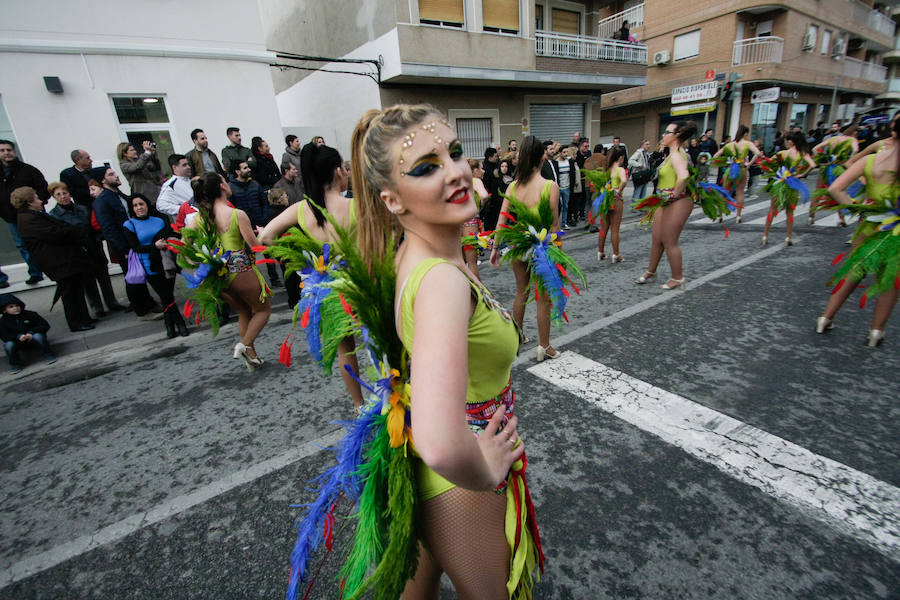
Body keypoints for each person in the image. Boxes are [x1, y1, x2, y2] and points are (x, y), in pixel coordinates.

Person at [349, 104, 542, 598]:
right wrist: (485, 468)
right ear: (393, 200)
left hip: (425, 475)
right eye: (427, 167)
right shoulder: (440, 281)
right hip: (459, 484)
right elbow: (439, 440)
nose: (456, 171)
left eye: (454, 153)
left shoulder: (425, 256)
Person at [260, 142, 363, 408]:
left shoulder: (301, 210)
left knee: (345, 350)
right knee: (381, 342)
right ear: (338, 171)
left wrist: (301, 257)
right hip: (361, 286)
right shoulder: (355, 207)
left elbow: (265, 237)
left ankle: (359, 405)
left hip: (326, 289)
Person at [815, 117, 900, 347]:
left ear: (893, 132)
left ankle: (826, 317)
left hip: (871, 222)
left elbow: (835, 188)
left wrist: (857, 208)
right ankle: (876, 331)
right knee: (889, 280)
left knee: (854, 270)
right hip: (896, 231)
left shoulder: (873, 159)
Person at [187, 173, 272, 368]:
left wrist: (199, 261)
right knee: (263, 310)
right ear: (222, 187)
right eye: (225, 181)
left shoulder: (199, 218)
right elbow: (255, 245)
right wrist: (263, 233)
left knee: (243, 312)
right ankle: (244, 345)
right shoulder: (236, 214)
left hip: (218, 276)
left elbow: (184, 246)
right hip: (240, 270)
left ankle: (252, 356)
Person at [492, 135, 564, 358]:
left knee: (521, 292)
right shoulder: (550, 186)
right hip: (542, 247)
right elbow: (554, 226)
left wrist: (495, 248)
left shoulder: (513, 186)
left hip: (518, 244)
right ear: (541, 157)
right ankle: (544, 346)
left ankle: (518, 337)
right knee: (542, 297)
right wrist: (559, 253)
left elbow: (502, 219)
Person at [13, 186, 94, 332]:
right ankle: (77, 322)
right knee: (70, 293)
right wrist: (71, 231)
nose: (40, 200)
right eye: (36, 198)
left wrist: (69, 231)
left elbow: (60, 228)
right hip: (57, 262)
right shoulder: (28, 219)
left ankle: (84, 318)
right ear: (30, 202)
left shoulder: (34, 215)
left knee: (76, 289)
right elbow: (56, 234)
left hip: (63, 260)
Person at [635, 120, 698, 290]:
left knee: (670, 241)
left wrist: (674, 194)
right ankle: (651, 271)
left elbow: (683, 176)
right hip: (663, 201)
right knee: (657, 239)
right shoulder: (670, 154)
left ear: (676, 136)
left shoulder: (677, 155)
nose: (663, 135)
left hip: (678, 201)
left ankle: (678, 278)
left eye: (667, 132)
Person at [48, 181, 124, 317]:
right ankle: (97, 307)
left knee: (103, 276)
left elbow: (95, 226)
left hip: (93, 246)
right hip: (77, 251)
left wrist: (97, 240)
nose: (63, 197)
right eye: (58, 195)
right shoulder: (54, 215)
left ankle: (111, 302)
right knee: (88, 281)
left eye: (64, 193)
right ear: (54, 197)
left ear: (69, 194)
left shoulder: (83, 209)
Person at [93, 167, 160, 319]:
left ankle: (149, 303)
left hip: (135, 241)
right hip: (126, 246)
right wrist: (123, 249)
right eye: (111, 174)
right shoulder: (102, 201)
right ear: (103, 180)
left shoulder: (119, 195)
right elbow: (108, 229)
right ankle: (142, 310)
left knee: (140, 274)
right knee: (133, 277)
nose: (116, 176)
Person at [123, 195, 189, 338]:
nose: (139, 207)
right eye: (135, 205)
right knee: (166, 296)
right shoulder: (129, 225)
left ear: (147, 205)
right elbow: (135, 247)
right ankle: (180, 323)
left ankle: (170, 327)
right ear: (132, 209)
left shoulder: (159, 221)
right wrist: (154, 246)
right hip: (149, 266)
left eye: (141, 204)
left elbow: (169, 234)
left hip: (166, 262)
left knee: (168, 296)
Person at [0, 139, 48, 286]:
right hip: (11, 217)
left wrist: (35, 205)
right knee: (22, 245)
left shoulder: (28, 170)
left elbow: (43, 188)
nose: (6, 153)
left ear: (14, 151)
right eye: (2, 150)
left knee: (42, 242)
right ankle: (35, 273)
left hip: (32, 216)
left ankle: (50, 268)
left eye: (9, 150)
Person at [761, 131, 816, 247]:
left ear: (791, 141)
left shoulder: (782, 153)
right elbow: (813, 165)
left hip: (780, 183)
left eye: (787, 140)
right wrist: (802, 174)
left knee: (772, 209)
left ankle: (765, 235)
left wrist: (771, 170)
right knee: (790, 211)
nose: (786, 142)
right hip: (793, 183)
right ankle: (788, 237)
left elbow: (767, 164)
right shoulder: (802, 153)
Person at [810, 122, 859, 226]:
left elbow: (814, 149)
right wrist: (850, 161)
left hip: (826, 166)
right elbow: (856, 150)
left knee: (818, 191)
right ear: (853, 132)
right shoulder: (852, 140)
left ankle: (811, 215)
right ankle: (842, 218)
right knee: (839, 191)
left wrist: (821, 158)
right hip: (839, 167)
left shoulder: (833, 139)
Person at [711, 125, 762, 223]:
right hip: (742, 168)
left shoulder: (730, 144)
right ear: (746, 133)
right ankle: (738, 215)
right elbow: (758, 153)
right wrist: (749, 163)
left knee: (725, 191)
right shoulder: (747, 143)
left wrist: (725, 162)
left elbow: (715, 156)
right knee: (740, 192)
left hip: (731, 168)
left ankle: (720, 214)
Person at [1, 293, 55, 374]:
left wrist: (31, 332)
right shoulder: (2, 322)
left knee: (38, 336)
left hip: (33, 338)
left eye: (17, 305)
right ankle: (15, 364)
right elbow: (4, 336)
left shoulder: (30, 314)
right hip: (18, 342)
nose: (15, 308)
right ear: (4, 310)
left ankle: (48, 354)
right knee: (8, 345)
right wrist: (17, 336)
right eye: (11, 307)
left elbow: (44, 325)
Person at [596, 146, 628, 263]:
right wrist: (619, 190)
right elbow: (624, 181)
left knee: (604, 227)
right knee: (615, 229)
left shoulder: (606, 169)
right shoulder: (620, 170)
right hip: (616, 199)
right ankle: (616, 254)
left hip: (605, 198)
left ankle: (600, 252)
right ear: (620, 158)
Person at [280, 134, 305, 200]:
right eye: (296, 141)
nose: (299, 143)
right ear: (291, 143)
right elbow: (286, 171)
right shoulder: (286, 156)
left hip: (306, 183)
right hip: (296, 185)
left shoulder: (302, 153)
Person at [555, 146, 574, 229]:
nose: (566, 154)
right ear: (560, 153)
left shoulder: (569, 161)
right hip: (559, 187)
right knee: (558, 206)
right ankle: (556, 223)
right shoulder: (556, 162)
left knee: (566, 205)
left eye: (567, 152)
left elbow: (572, 174)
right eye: (564, 152)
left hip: (567, 186)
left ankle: (564, 223)